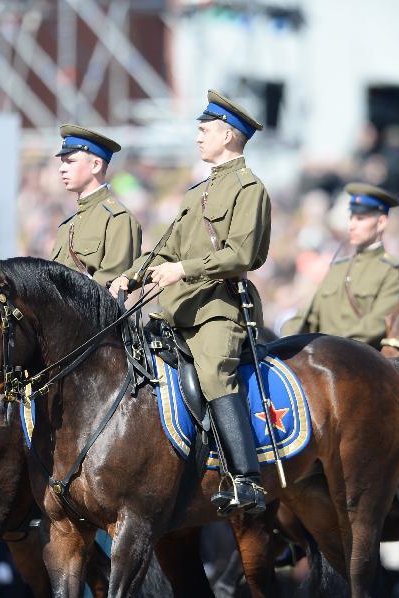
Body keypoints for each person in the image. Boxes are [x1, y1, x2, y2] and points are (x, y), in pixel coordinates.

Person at [110, 90, 271, 515]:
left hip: (218, 308)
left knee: (215, 372)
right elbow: (165, 250)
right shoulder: (194, 193)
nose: (197, 137)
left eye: (205, 130)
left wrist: (183, 270)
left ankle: (245, 479)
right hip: (177, 310)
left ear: (229, 135)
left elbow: (241, 254)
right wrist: (132, 275)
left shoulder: (248, 189)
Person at [281, 184, 399, 347]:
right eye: (351, 217)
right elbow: (306, 317)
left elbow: (375, 326)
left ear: (381, 222)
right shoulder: (338, 267)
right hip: (320, 358)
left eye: (360, 219)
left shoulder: (393, 271)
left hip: (361, 362)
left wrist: (328, 346)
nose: (352, 225)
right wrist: (284, 340)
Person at [51, 124, 142, 286]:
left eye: (70, 161)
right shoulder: (67, 225)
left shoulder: (117, 219)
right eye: (62, 162)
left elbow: (112, 286)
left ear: (96, 165)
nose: (62, 169)